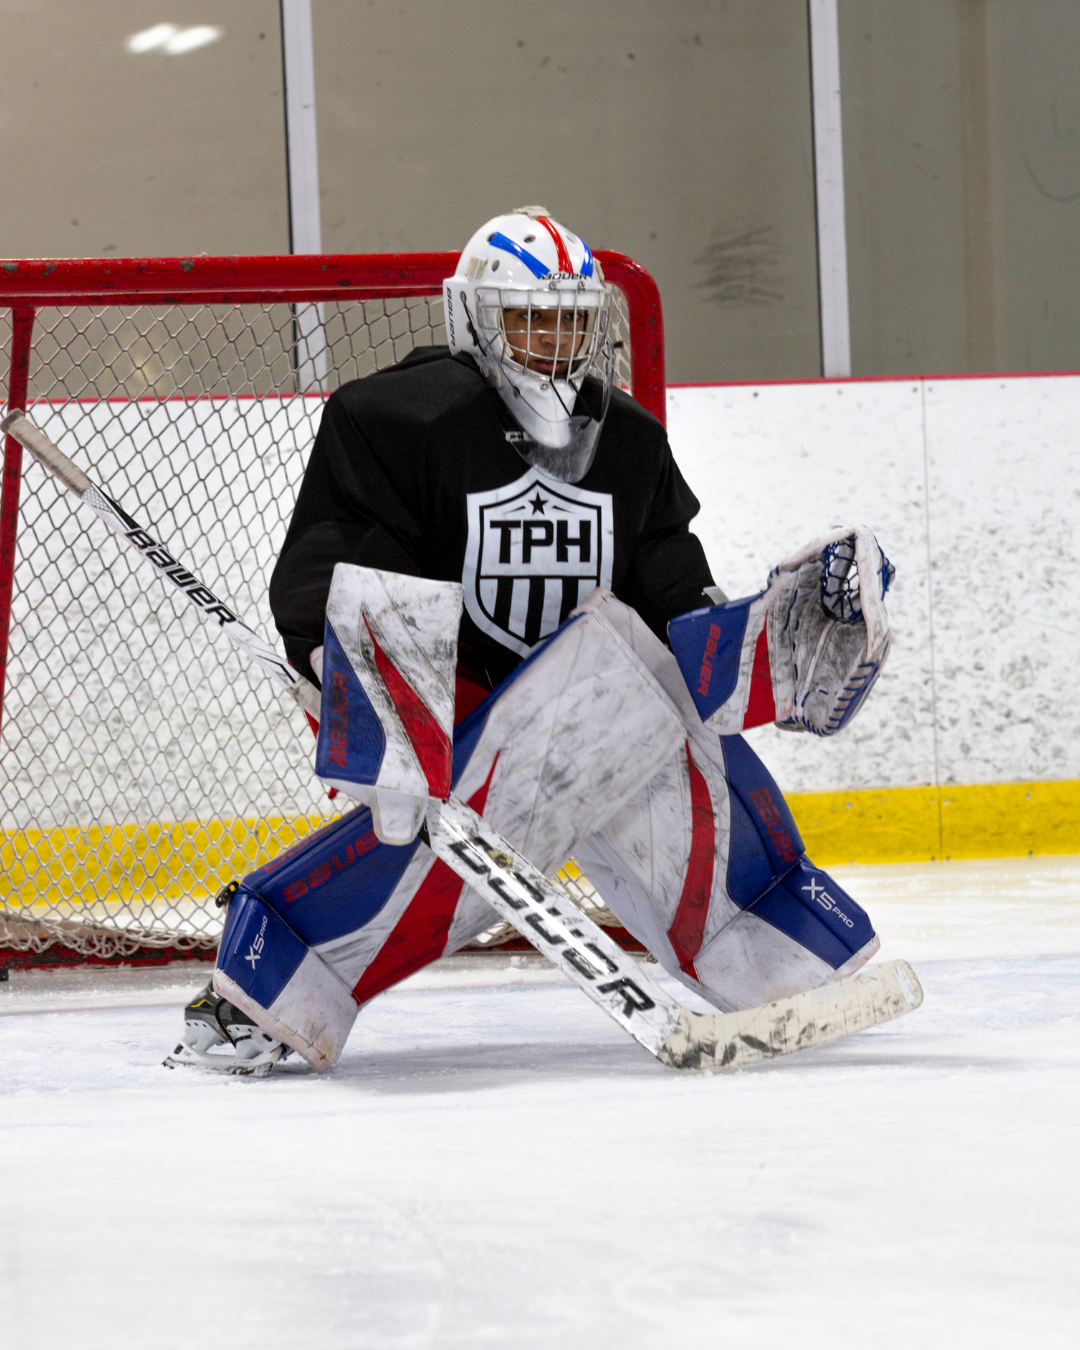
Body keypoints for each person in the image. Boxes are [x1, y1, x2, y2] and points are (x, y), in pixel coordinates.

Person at [166, 207, 890, 1076]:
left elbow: (668, 585)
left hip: (593, 700)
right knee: (436, 837)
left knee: (645, 691)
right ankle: (269, 988)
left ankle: (778, 957)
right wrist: (357, 688)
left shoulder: (626, 439)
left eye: (572, 318)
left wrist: (770, 638)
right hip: (456, 710)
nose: (555, 339)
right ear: (474, 314)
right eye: (531, 316)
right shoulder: (396, 419)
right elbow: (345, 561)